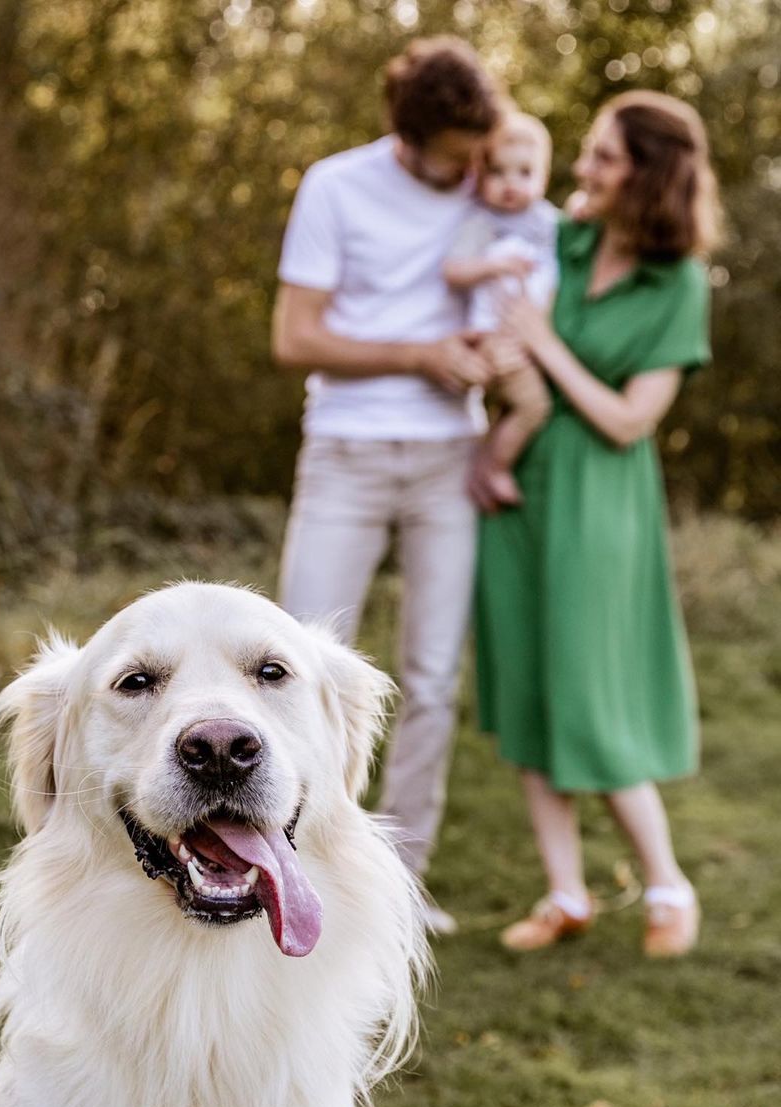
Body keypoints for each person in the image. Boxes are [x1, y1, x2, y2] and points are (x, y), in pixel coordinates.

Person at [473, 91, 719, 957]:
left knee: (589, 696)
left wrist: (541, 343)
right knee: (530, 690)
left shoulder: (677, 284)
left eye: (605, 157)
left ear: (649, 174)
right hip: (520, 492)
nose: (584, 169)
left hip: (602, 499)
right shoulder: (564, 240)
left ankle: (666, 885)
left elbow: (626, 420)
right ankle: (566, 892)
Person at [272, 37, 501, 932]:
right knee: (301, 669)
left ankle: (400, 885)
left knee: (433, 677)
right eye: (458, 150)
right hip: (345, 459)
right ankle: (289, 861)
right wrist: (418, 353)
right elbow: (295, 336)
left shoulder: (496, 186)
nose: (476, 165)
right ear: (409, 139)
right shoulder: (337, 186)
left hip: (452, 459)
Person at [443, 111, 560, 508]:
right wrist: (494, 265)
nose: (511, 184)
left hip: (532, 337)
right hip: (493, 335)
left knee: (516, 404)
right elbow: (453, 270)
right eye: (498, 172)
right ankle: (493, 466)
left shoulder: (547, 221)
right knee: (534, 405)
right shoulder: (480, 222)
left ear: (543, 176)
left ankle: (490, 460)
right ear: (479, 176)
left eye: (524, 173)